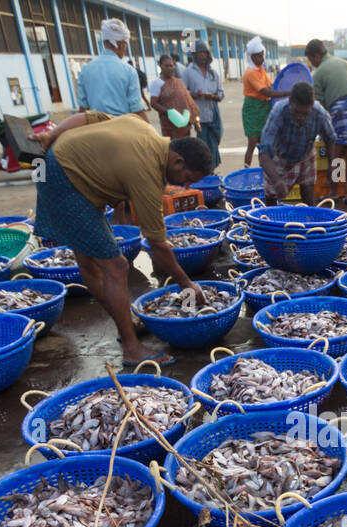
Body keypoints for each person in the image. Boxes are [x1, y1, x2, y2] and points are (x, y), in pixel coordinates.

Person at [32, 113, 213, 365]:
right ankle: (131, 347)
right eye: (187, 179)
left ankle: (125, 323)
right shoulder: (147, 172)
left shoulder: (144, 128)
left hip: (49, 164)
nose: (184, 186)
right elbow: (158, 245)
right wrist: (187, 283)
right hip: (61, 179)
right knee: (115, 266)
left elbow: (89, 117)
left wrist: (53, 133)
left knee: (88, 258)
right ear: (178, 161)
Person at [304, 38, 347, 205]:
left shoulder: (319, 73)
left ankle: (334, 192)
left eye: (311, 59)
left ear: (317, 56)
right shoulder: (345, 63)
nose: (312, 63)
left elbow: (320, 104)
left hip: (338, 108)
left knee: (336, 154)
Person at [258, 82, 335, 206]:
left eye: (305, 113)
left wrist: (332, 164)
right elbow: (264, 153)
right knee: (271, 198)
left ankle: (310, 222)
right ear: (290, 102)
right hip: (281, 155)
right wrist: (277, 180)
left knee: (309, 196)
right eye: (297, 112)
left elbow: (330, 138)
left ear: (311, 106)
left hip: (306, 154)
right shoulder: (279, 112)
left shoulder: (319, 113)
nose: (301, 117)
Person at [76, 19, 147, 119]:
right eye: (125, 46)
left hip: (95, 128)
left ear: (105, 43)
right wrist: (153, 132)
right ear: (121, 45)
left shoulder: (86, 70)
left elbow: (83, 109)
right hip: (122, 128)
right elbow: (137, 108)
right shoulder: (129, 71)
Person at [241, 36, 290, 167]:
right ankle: (246, 169)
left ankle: (264, 169)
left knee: (264, 142)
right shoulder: (250, 73)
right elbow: (266, 92)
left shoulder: (261, 70)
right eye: (257, 56)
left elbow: (271, 86)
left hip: (264, 107)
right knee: (252, 143)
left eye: (262, 55)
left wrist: (283, 81)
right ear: (250, 57)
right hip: (253, 109)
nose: (261, 59)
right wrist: (287, 93)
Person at [182, 40, 224, 171]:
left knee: (215, 141)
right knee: (203, 145)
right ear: (195, 54)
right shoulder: (188, 72)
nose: (202, 55)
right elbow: (183, 92)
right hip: (199, 114)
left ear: (208, 55)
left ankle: (212, 167)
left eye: (204, 53)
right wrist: (194, 95)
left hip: (213, 113)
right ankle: (206, 171)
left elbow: (221, 94)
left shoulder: (213, 74)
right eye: (199, 53)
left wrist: (213, 96)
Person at [151, 54, 201, 140]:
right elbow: (153, 103)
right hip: (169, 123)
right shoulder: (157, 82)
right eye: (166, 66)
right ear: (160, 65)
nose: (170, 68)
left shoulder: (179, 82)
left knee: (185, 147)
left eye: (171, 66)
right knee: (173, 148)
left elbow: (189, 103)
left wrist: (196, 122)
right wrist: (169, 112)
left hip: (184, 123)